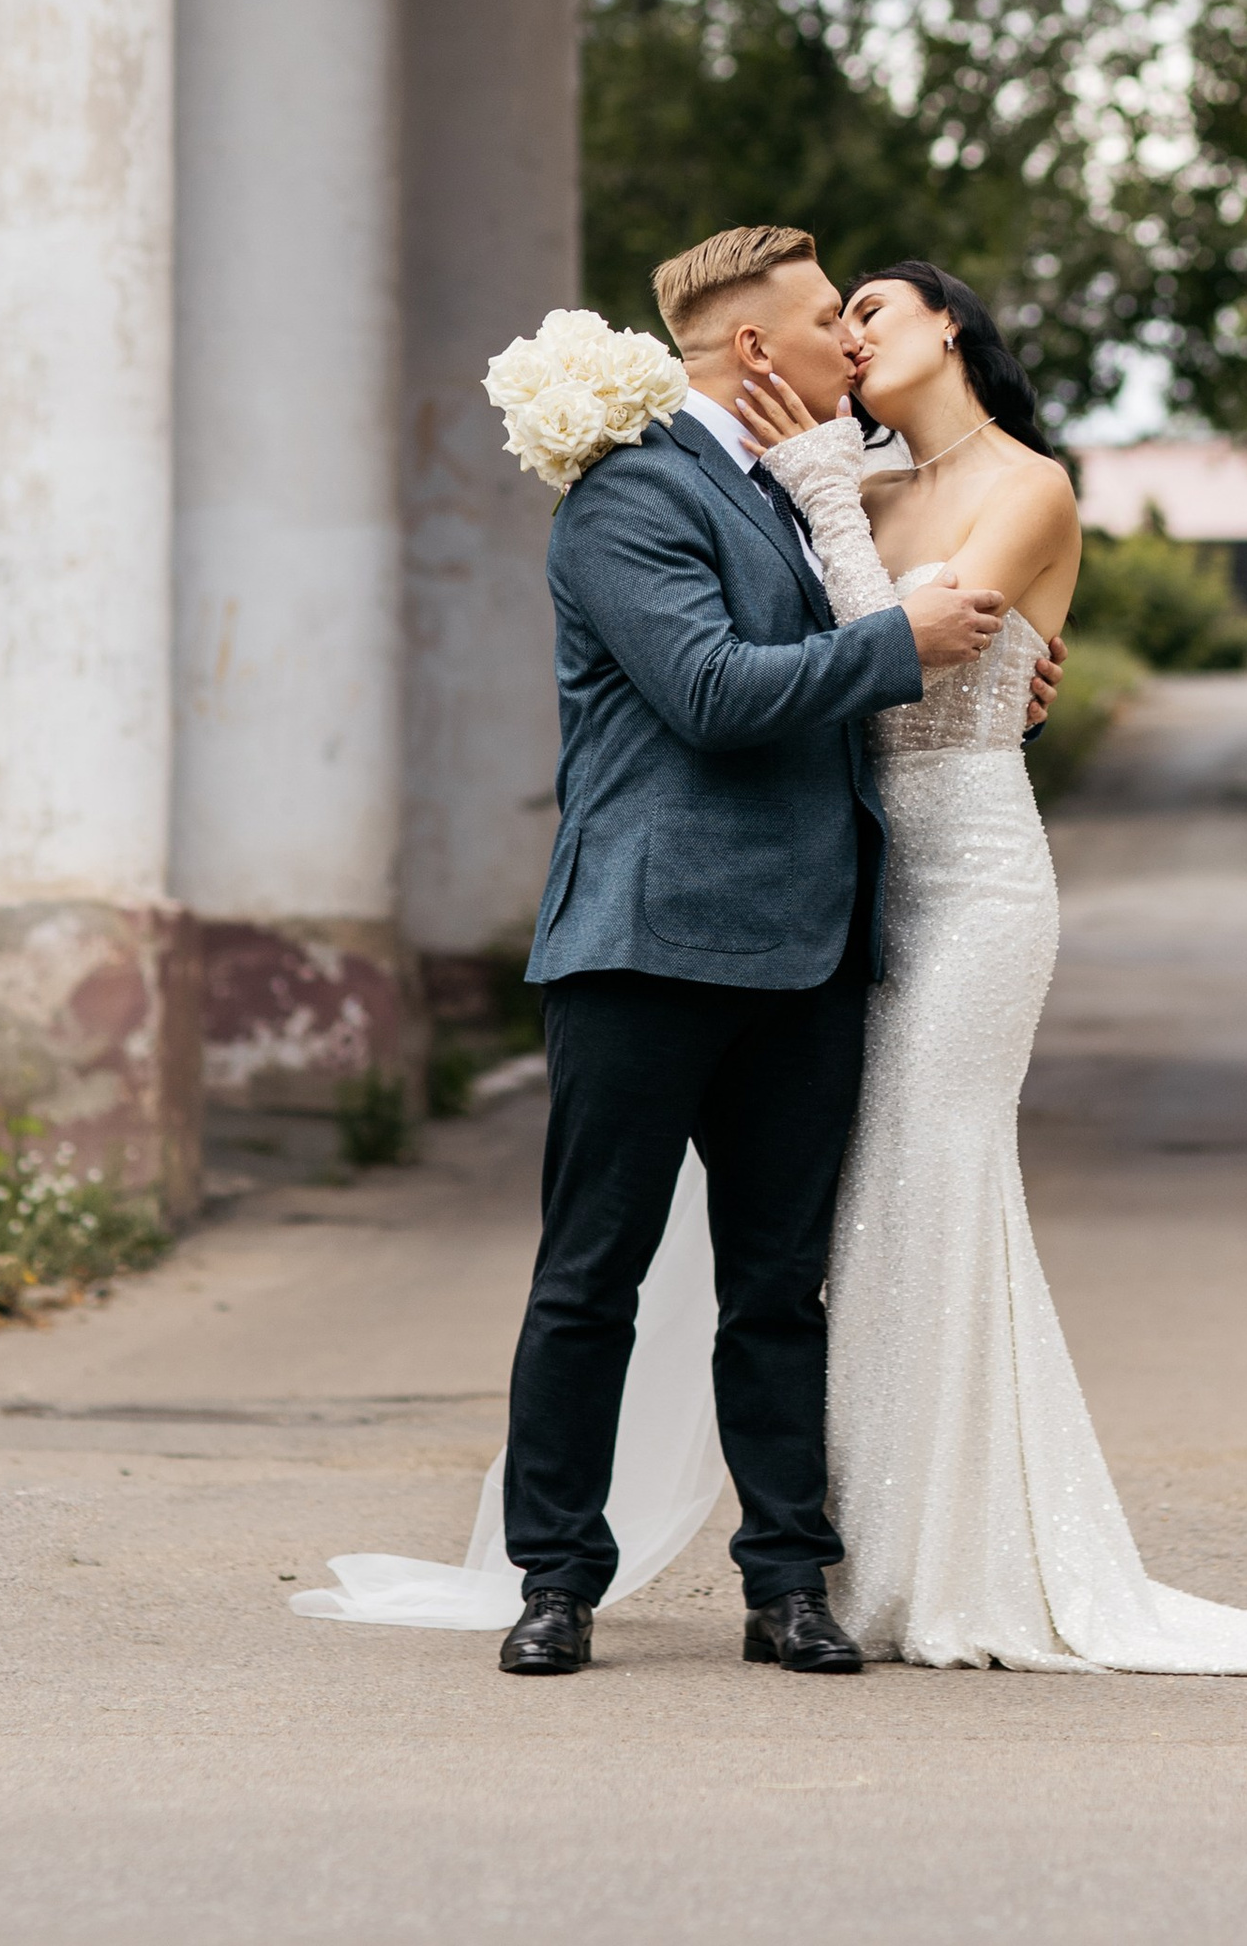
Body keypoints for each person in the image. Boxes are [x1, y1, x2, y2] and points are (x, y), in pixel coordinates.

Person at [734, 260, 1247, 1679]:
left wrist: (818, 493)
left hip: (981, 878)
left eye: (872, 309)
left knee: (939, 1165)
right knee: (872, 1191)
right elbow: (804, 654)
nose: (852, 333)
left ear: (947, 326)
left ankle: (959, 1559)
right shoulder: (858, 490)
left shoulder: (1032, 486)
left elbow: (922, 668)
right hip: (860, 873)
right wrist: (824, 492)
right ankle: (881, 1549)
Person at [486, 224, 1057, 1679]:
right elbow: (708, 690)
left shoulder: (820, 494)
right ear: (758, 351)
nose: (846, 347)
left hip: (812, 949)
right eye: (824, 322)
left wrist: (996, 667)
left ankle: (787, 1581)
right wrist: (909, 641)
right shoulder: (627, 497)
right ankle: (556, 1579)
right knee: (589, 1276)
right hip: (646, 940)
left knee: (778, 1285)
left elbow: (903, 628)